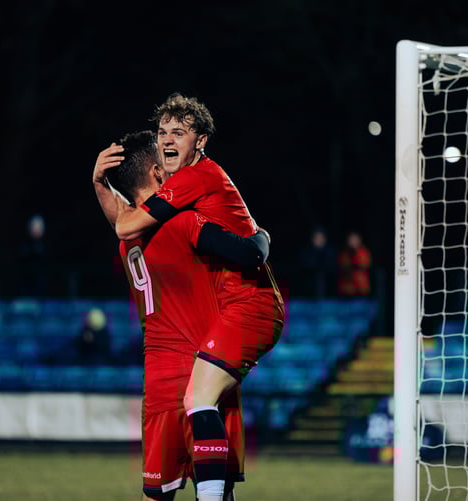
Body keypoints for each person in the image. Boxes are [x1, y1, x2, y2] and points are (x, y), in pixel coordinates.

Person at [94, 94, 284, 501]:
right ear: (157, 171)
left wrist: (99, 184)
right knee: (215, 473)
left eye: (178, 132)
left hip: (159, 379)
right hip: (197, 357)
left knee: (156, 493)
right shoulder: (183, 221)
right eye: (163, 135)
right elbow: (250, 251)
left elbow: (124, 222)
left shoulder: (129, 245)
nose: (167, 143)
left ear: (199, 140)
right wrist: (263, 238)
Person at [297, 225, 337, 297]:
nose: (319, 240)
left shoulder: (331, 252)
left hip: (328, 292)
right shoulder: (306, 252)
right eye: (317, 238)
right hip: (309, 291)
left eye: (321, 238)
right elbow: (305, 267)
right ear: (312, 239)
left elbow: (331, 268)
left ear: (325, 239)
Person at [19, 214, 48, 296]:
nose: (36, 231)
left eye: (38, 228)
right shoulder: (24, 245)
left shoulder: (45, 245)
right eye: (34, 228)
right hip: (26, 283)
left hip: (42, 285)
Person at [337, 230, 372, 297]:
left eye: (355, 239)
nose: (353, 242)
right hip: (347, 288)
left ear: (359, 240)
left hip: (361, 287)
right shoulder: (344, 254)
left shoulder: (363, 252)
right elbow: (343, 266)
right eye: (351, 240)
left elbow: (364, 265)